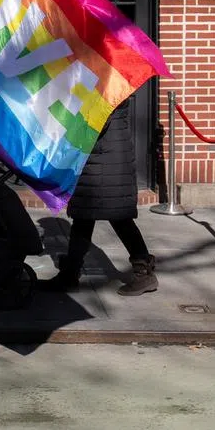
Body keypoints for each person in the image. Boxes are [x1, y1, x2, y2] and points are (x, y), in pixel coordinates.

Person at [40, 101, 158, 296]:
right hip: (99, 160)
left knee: (119, 218)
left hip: (104, 161)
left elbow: (94, 124)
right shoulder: (104, 84)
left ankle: (144, 272)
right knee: (84, 218)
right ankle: (71, 273)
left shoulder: (107, 89)